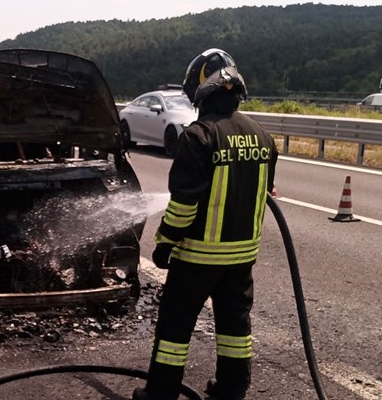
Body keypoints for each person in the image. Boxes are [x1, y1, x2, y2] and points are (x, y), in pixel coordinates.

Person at [132, 49, 278, 400]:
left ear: (202, 90)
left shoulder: (199, 137)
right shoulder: (263, 137)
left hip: (197, 258)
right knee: (234, 328)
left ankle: (161, 394)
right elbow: (266, 192)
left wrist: (164, 242)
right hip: (241, 259)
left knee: (175, 328)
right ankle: (231, 390)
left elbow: (183, 204)